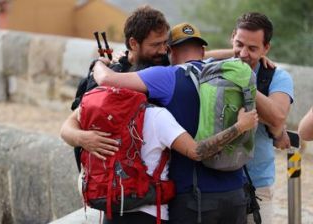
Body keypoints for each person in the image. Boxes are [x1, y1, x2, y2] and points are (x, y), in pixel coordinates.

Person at [92, 22, 253, 224]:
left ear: (169, 51)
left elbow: (106, 79)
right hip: (236, 193)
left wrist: (98, 63)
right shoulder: (228, 75)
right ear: (203, 50)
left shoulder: (167, 76)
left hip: (194, 199)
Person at [65, 81, 258, 223]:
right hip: (149, 213)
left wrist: (83, 138)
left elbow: (65, 130)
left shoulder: (98, 109)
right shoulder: (157, 116)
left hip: (109, 209)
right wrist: (240, 127)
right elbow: (197, 151)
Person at [67, 5, 170, 170]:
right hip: (109, 181)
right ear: (133, 43)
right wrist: (84, 138)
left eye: (165, 43)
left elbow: (197, 57)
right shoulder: (110, 75)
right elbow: (67, 128)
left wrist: (227, 54)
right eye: (156, 45)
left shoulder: (165, 66)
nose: (163, 50)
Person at [228, 13, 294, 224]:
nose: (243, 53)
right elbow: (191, 57)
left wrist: (243, 79)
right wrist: (230, 60)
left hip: (256, 186)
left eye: (253, 49)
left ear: (266, 49)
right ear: (232, 38)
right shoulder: (217, 67)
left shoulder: (276, 77)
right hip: (214, 186)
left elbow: (277, 117)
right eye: (239, 44)